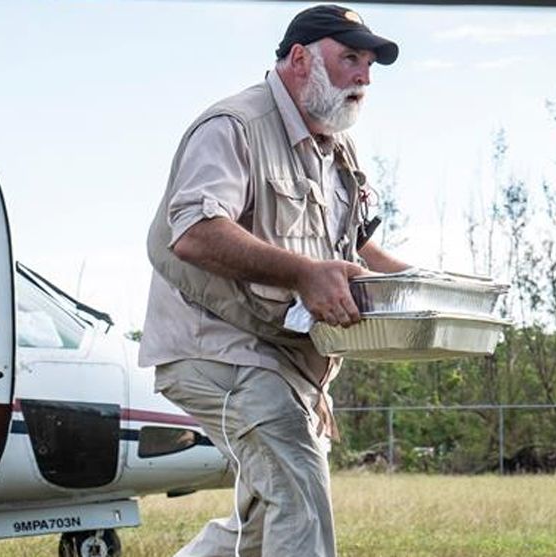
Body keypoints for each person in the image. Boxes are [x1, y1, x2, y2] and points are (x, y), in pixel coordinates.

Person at [141, 5, 408, 556]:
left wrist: (429, 284)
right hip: (218, 347)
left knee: (264, 518)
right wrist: (305, 275)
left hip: (289, 361)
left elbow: (350, 246)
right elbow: (192, 230)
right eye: (350, 59)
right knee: (299, 489)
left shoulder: (335, 147)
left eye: (369, 66)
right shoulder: (234, 125)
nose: (363, 77)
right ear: (299, 58)